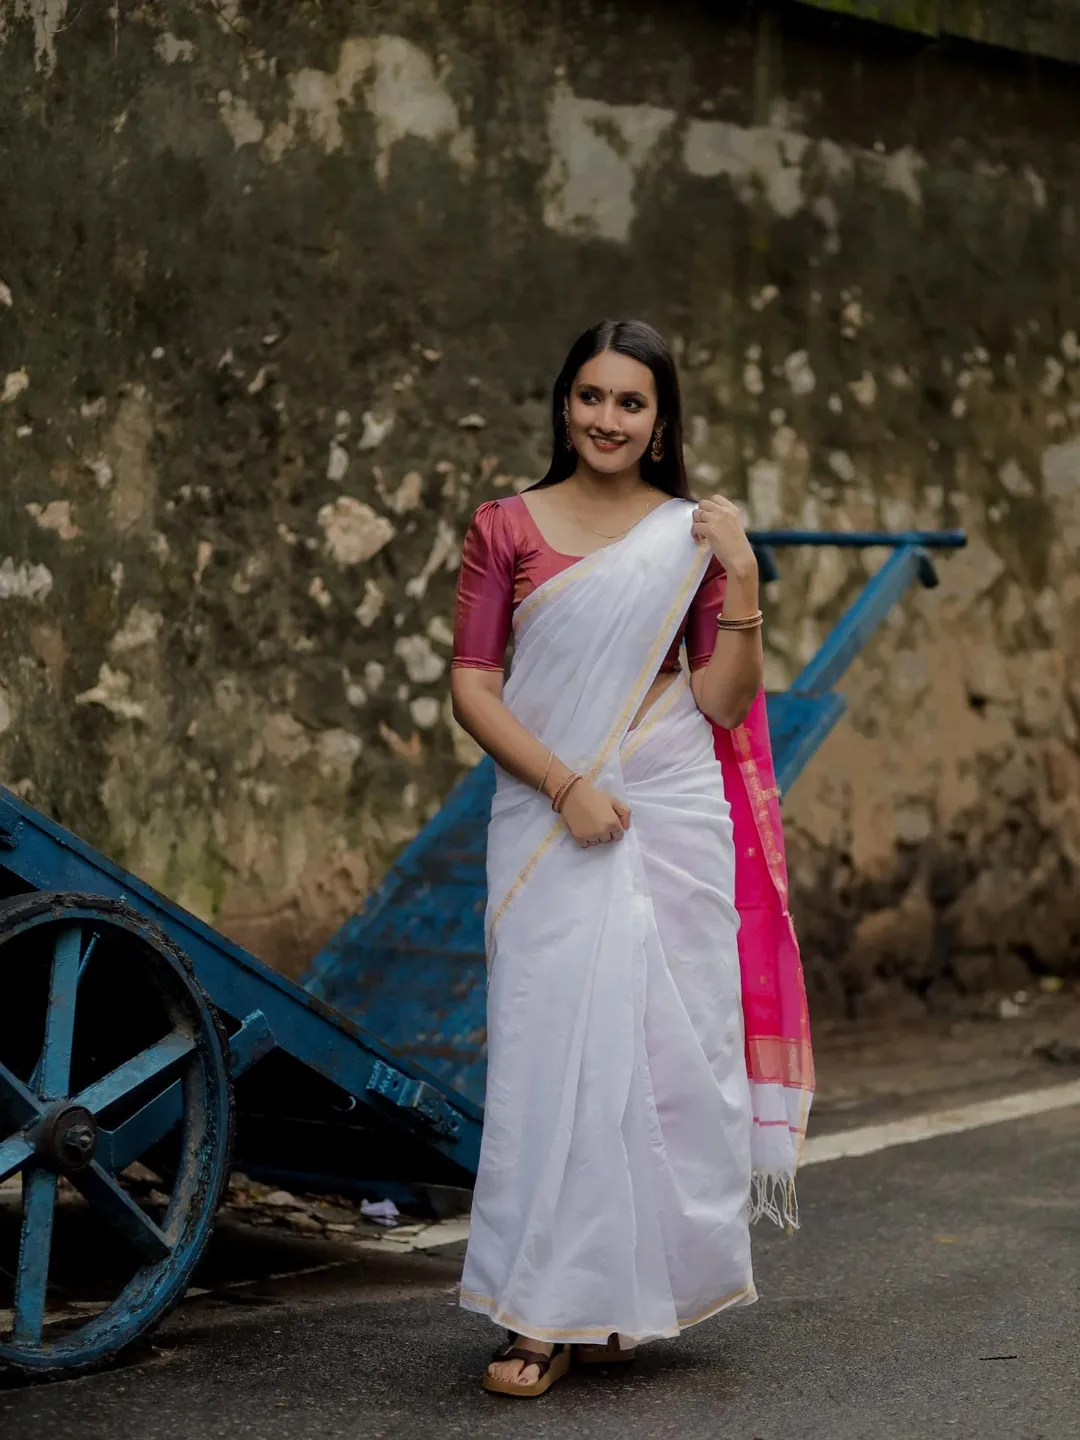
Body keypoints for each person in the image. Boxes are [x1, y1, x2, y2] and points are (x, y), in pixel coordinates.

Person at [450, 319, 814, 1398]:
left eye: (631, 403)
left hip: (670, 806)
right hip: (551, 810)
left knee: (661, 1057)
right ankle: (538, 1311)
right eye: (592, 397)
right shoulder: (505, 528)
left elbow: (723, 699)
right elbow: (474, 686)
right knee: (548, 1047)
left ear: (662, 424)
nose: (608, 419)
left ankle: (621, 1296)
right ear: (565, 403)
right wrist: (565, 788)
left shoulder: (687, 538)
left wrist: (739, 572)